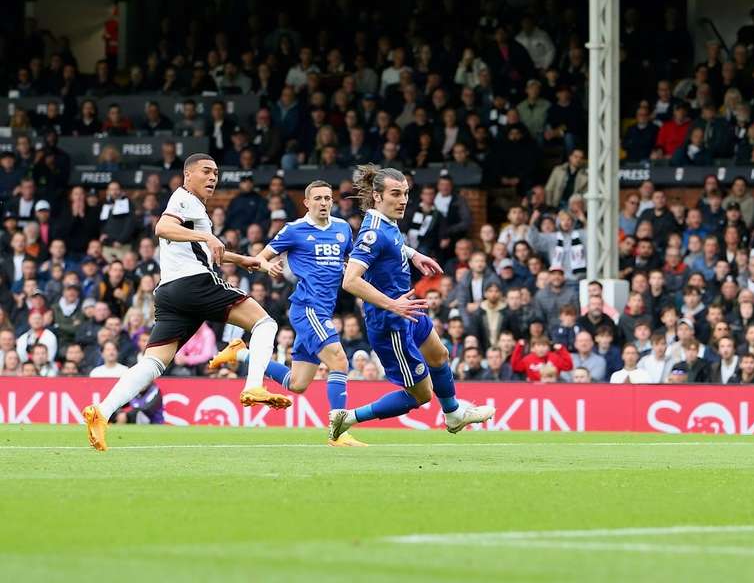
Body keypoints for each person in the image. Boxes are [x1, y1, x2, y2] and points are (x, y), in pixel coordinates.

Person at [81, 154, 289, 452]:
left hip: (170, 293)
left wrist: (243, 259)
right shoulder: (184, 198)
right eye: (206, 171)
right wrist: (208, 235)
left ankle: (101, 411)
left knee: (153, 362)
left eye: (216, 172)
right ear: (187, 174)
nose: (213, 177)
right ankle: (253, 384)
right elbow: (162, 228)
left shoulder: (192, 209)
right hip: (194, 284)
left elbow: (199, 248)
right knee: (264, 323)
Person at [329, 165, 495, 442]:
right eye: (396, 193)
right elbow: (350, 280)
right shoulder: (372, 234)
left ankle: (453, 415)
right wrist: (391, 305)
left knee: (439, 354)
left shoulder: (387, 224)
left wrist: (413, 254)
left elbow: (392, 245)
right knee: (420, 394)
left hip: (407, 309)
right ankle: (349, 417)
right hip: (390, 320)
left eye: (406, 193)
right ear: (378, 196)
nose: (403, 199)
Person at [209, 180, 364, 447]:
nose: (324, 203)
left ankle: (241, 352)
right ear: (307, 202)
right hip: (307, 308)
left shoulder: (342, 229)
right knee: (339, 361)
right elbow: (260, 257)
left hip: (324, 310)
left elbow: (352, 261)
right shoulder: (295, 230)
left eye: (328, 198)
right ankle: (338, 432)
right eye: (318, 198)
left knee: (297, 383)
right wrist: (268, 267)